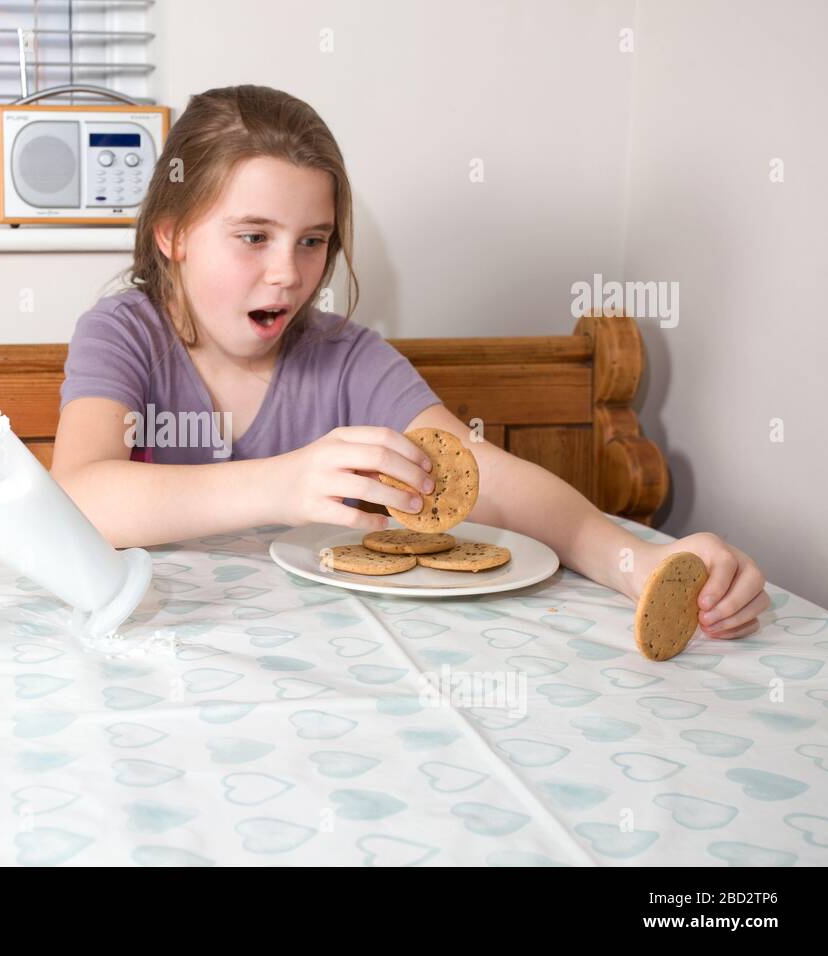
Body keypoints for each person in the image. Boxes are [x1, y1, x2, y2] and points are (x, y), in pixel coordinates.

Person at [52, 85, 768, 641]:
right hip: (165, 647)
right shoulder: (124, 335)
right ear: (173, 235)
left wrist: (634, 564)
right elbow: (81, 497)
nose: (287, 275)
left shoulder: (349, 359)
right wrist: (283, 484)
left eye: (312, 242)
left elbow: (488, 478)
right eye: (253, 237)